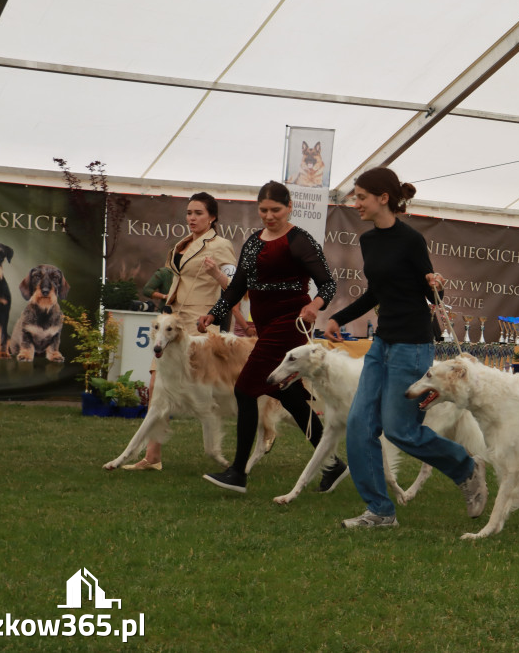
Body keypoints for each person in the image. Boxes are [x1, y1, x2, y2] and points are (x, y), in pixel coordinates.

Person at [323, 167, 488, 529]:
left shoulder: (411, 240)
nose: (356, 203)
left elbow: (429, 289)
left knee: (400, 430)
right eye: (355, 197)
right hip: (382, 344)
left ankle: (465, 466)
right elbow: (375, 293)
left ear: (384, 198)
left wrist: (437, 284)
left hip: (412, 345)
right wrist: (339, 317)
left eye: (362, 197)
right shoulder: (369, 241)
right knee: (358, 425)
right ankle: (380, 512)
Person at [200, 181, 343, 494]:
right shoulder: (253, 242)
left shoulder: (299, 240)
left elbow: (327, 285)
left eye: (275, 210)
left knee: (245, 388)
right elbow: (237, 286)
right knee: (288, 394)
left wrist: (314, 305)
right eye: (263, 210)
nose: (268, 215)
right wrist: (213, 313)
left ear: (289, 206)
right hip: (265, 324)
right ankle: (333, 464)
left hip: (289, 325)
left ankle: (237, 472)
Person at [123, 192, 237, 471]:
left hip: (200, 323)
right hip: (174, 319)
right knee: (155, 384)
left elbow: (234, 288)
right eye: (188, 213)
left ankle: (253, 431)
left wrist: (216, 276)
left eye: (198, 213)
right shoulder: (182, 244)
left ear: (212, 217)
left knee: (209, 393)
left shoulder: (220, 245)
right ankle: (152, 456)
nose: (192, 218)